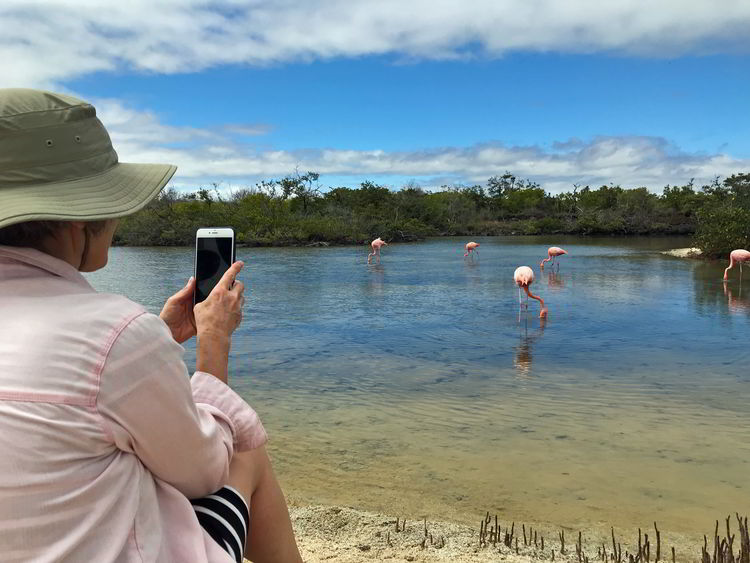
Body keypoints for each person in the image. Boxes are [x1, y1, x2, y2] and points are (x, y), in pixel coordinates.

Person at [0, 89, 302, 562]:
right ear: (80, 222)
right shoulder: (113, 331)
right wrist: (214, 342)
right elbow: (203, 471)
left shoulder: (120, 336)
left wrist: (158, 337)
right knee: (245, 453)